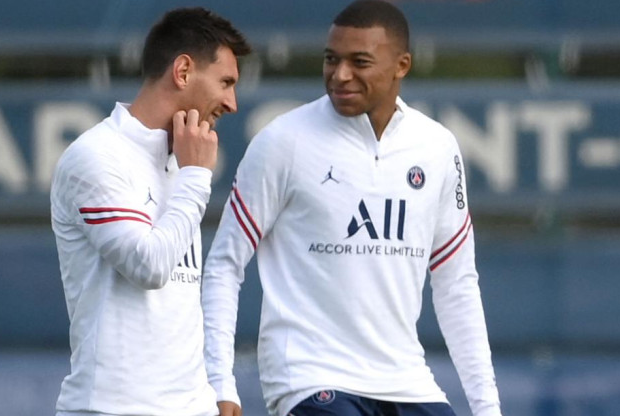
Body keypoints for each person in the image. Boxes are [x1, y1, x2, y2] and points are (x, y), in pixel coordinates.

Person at [202, 1, 501, 415]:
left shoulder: (437, 147)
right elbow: (223, 265)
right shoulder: (282, 141)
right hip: (310, 378)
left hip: (408, 381)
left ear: (402, 65)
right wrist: (220, 381)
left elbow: (457, 285)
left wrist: (488, 408)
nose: (340, 75)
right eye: (331, 59)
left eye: (359, 62)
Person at [50, 7, 251, 416]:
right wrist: (196, 177)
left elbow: (183, 300)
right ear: (182, 71)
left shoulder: (181, 159)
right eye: (226, 82)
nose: (231, 103)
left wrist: (216, 387)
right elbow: (150, 266)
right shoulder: (95, 157)